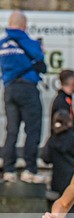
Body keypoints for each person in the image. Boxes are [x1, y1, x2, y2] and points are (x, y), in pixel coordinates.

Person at [0, 11, 45, 184]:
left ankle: (8, 170)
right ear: (24, 25)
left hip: (9, 89)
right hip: (27, 88)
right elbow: (40, 58)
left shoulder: (2, 44)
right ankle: (29, 170)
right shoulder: (28, 42)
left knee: (11, 131)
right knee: (32, 129)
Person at [41, 110, 74, 218]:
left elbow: (45, 158)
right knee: (73, 205)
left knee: (59, 204)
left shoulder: (52, 139)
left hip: (58, 177)